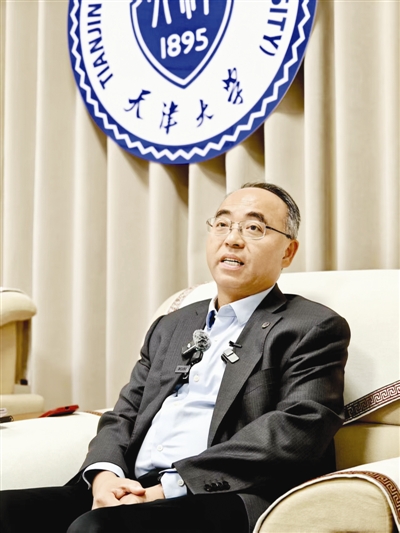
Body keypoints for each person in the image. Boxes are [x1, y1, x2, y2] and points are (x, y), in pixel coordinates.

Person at [0, 182, 350, 533]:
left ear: (288, 252)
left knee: (98, 528)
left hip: (219, 493)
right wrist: (105, 476)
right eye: (222, 224)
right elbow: (124, 414)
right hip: (128, 484)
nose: (232, 239)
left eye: (254, 228)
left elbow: (299, 427)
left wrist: (166, 488)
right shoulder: (172, 325)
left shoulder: (311, 327)